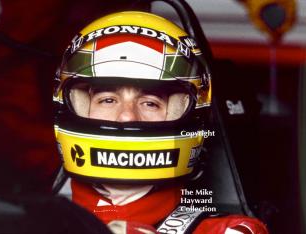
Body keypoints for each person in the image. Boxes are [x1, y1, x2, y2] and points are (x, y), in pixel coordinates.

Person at [52, 11, 269, 234]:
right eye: (108, 100)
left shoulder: (229, 230)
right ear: (74, 105)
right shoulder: (31, 219)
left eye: (150, 103)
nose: (127, 116)